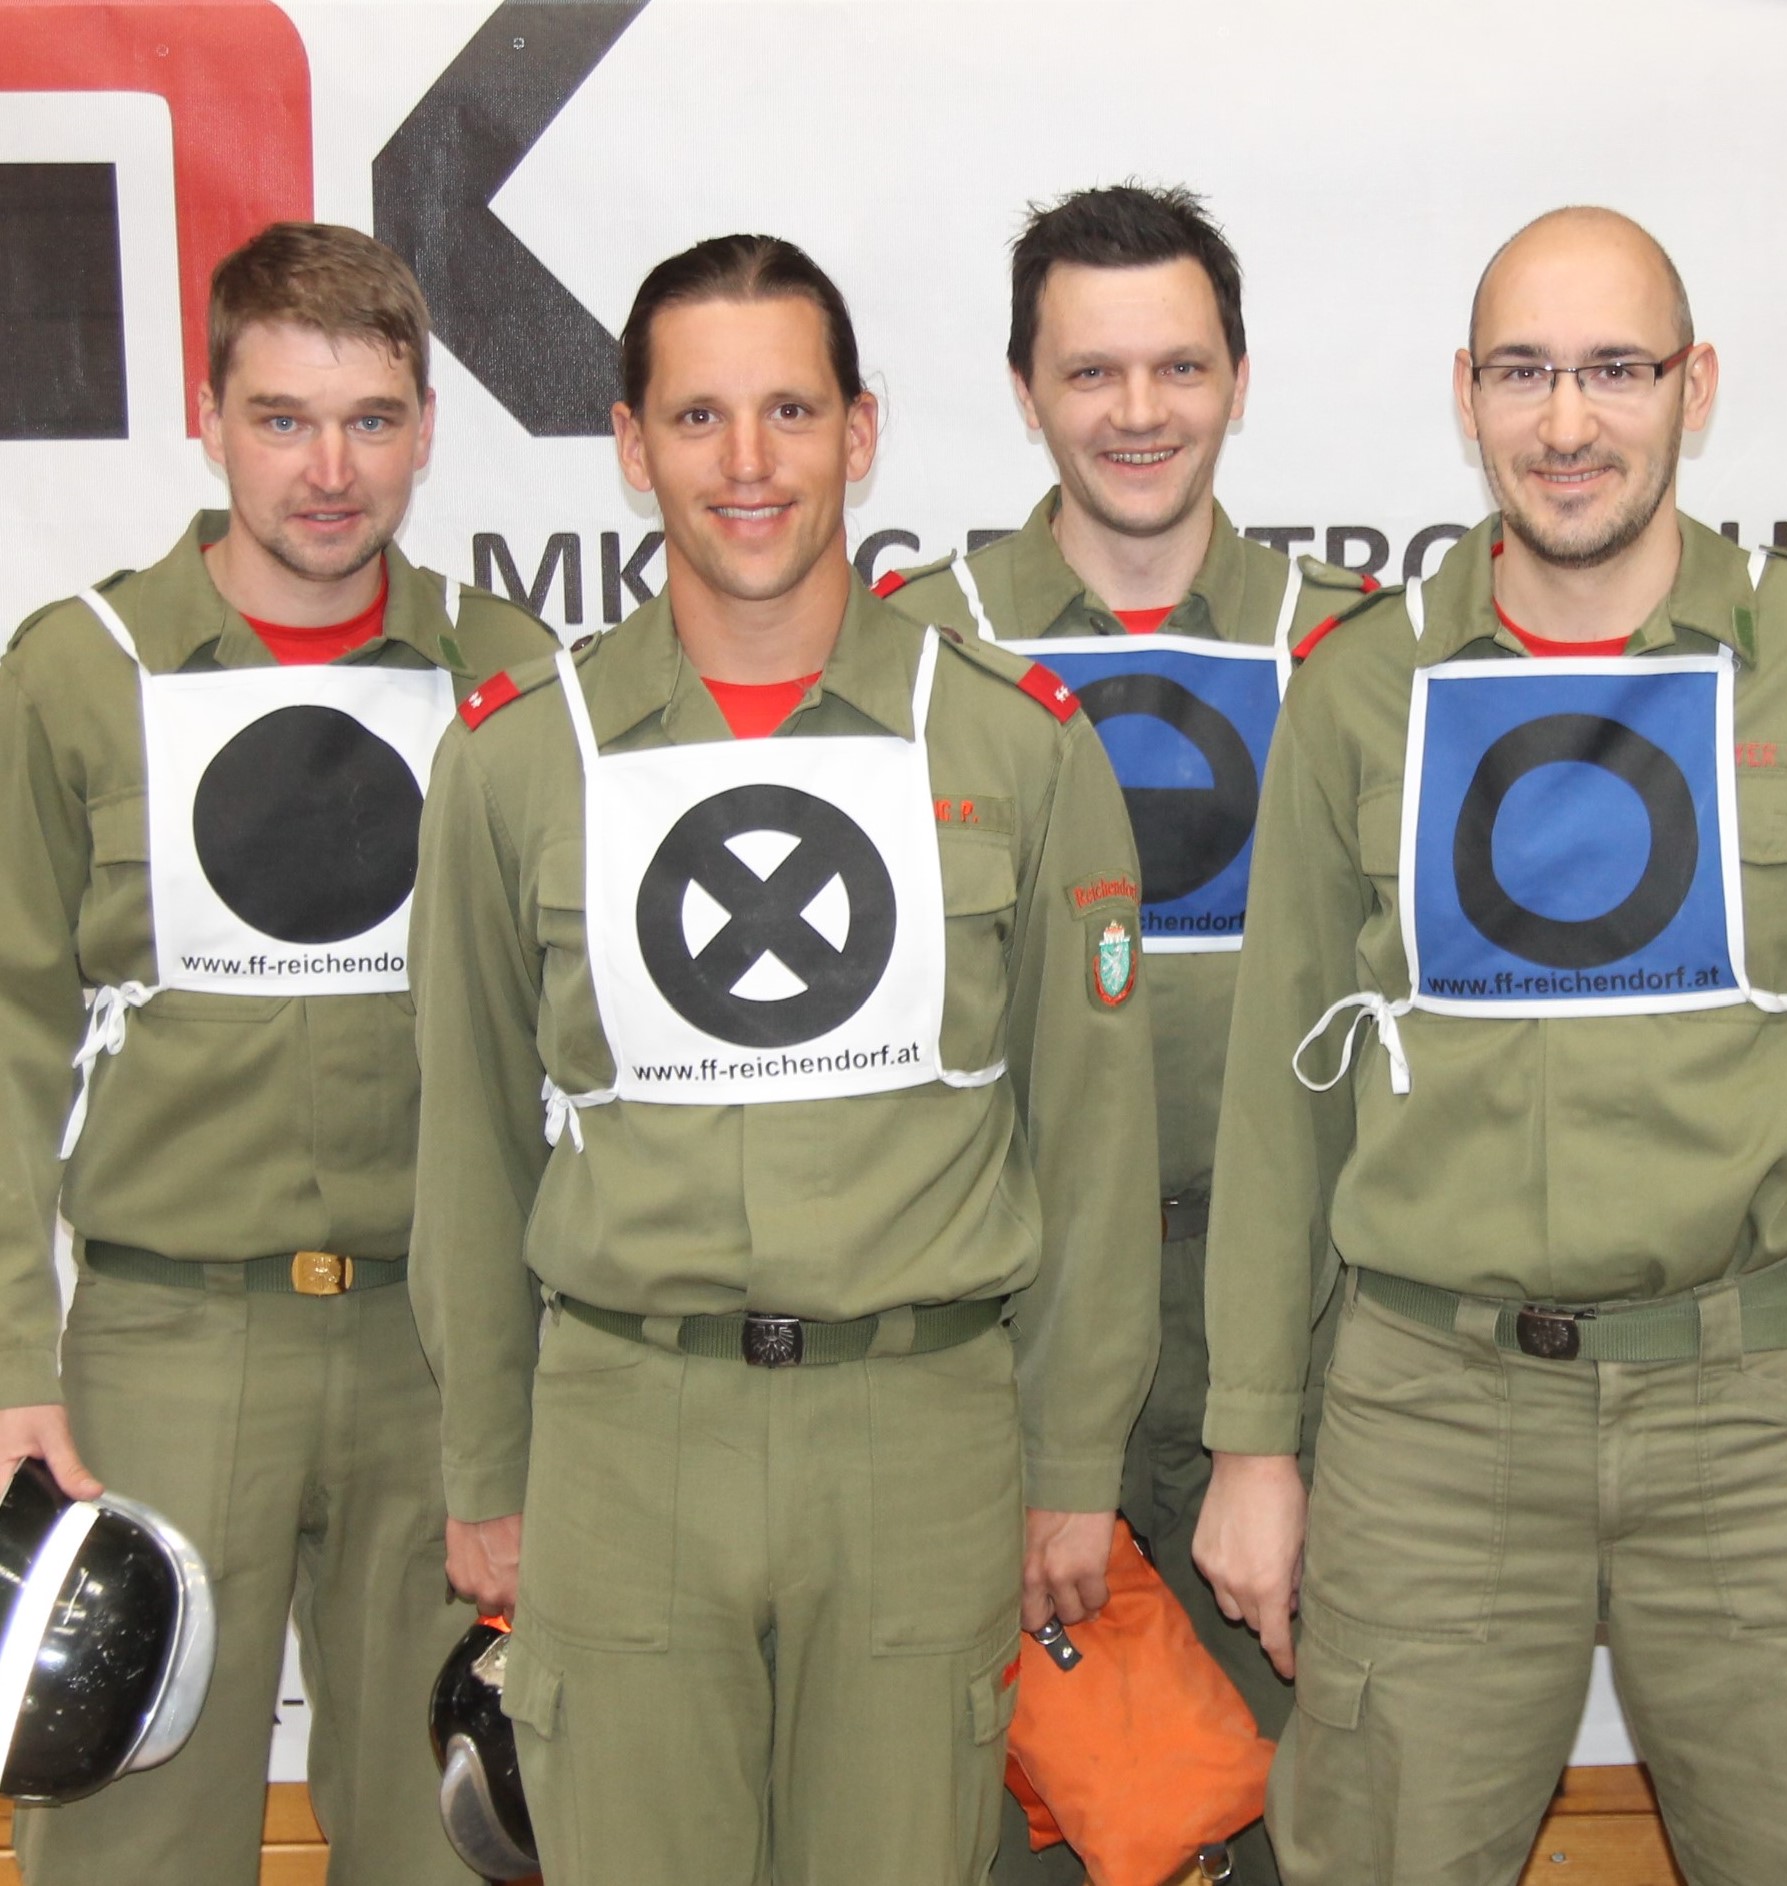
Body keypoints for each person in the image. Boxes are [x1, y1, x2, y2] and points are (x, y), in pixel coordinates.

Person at [1190, 204, 1787, 1885]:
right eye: (1525, 373)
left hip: (1760, 1414)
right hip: (1432, 1417)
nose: (1569, 422)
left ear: (1695, 387)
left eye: (1616, 370)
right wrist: (1256, 1442)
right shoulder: (1362, 689)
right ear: (1465, 395)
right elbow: (1285, 1093)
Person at [409, 233, 1159, 1886]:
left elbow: (1091, 1141)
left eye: (792, 412)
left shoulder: (1015, 742)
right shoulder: (520, 760)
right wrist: (485, 1463)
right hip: (622, 1430)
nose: (747, 463)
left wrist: (1072, 1462)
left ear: (861, 432)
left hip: (919, 1427)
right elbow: (469, 1144)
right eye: (698, 417)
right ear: (630, 446)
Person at [0, 221, 551, 1884]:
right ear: (209, 417)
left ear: (427, 427)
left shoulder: (509, 676)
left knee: (451, 1838)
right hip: (170, 1343)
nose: (330, 469)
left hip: (437, 1354)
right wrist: (14, 1362)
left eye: (371, 419)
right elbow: (10, 1035)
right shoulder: (77, 673)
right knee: (132, 1839)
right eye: (284, 419)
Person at [878, 184, 1365, 1886]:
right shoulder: (915, 652)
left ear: (1240, 376)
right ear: (1025, 390)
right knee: (1020, 1821)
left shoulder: (1353, 650)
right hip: (1004, 1320)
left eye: (1179, 366)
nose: (1139, 412)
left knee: (1305, 1816)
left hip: (1296, 1316)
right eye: (1091, 372)